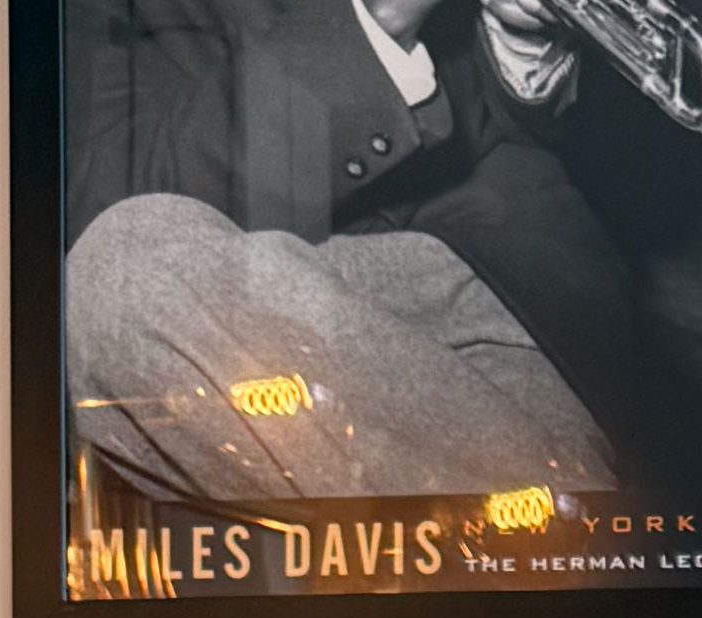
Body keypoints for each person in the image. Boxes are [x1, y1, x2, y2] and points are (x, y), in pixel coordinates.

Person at [63, 0, 643, 505]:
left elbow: (531, 130)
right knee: (116, 273)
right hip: (245, 330)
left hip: (495, 301)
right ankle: (558, 554)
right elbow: (117, 185)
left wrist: (521, 36)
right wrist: (377, 19)